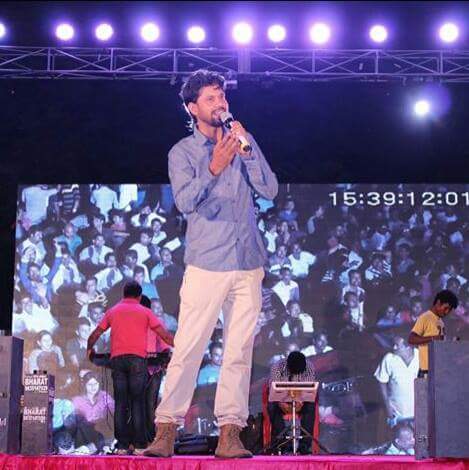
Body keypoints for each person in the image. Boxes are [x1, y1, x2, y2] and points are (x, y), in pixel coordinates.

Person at [143, 69, 278, 459]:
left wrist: (247, 151)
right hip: (207, 263)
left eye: (222, 96)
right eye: (210, 98)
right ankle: (166, 429)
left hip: (248, 261)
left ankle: (230, 434)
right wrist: (214, 167)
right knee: (189, 348)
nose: (220, 103)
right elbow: (185, 201)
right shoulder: (182, 152)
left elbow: (269, 189)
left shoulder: (243, 140)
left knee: (238, 352)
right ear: (192, 108)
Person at [86, 281, 174, 454]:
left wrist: (90, 348)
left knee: (121, 403)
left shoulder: (113, 311)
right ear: (139, 296)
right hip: (137, 360)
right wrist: (179, 345)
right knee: (137, 402)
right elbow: (164, 335)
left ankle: (122, 446)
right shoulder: (145, 311)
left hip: (117, 360)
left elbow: (96, 333)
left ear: (124, 294)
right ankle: (140, 445)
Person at [268, 351, 316, 455]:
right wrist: (282, 404)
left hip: (301, 401)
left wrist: (300, 403)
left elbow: (308, 390)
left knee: (311, 407)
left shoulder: (309, 367)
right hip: (281, 400)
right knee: (272, 406)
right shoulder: (277, 367)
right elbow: (274, 390)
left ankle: (304, 446)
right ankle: (283, 445)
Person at [408, 289, 459, 377]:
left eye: (449, 309)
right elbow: (411, 339)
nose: (447, 311)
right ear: (438, 303)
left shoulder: (440, 321)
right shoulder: (424, 318)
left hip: (438, 367)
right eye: (446, 308)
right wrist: (433, 338)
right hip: (425, 368)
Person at [374, 336, 419, 426]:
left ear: (408, 347)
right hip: (397, 414)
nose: (394, 347)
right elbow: (381, 383)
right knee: (401, 434)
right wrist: (388, 408)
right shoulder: (389, 358)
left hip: (418, 413)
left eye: (397, 345)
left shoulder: (421, 356)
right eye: (393, 344)